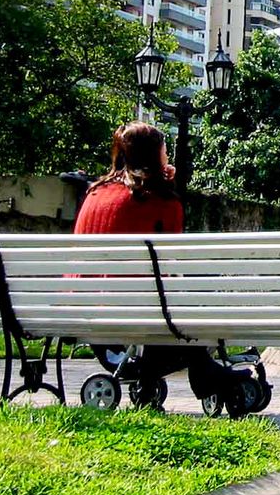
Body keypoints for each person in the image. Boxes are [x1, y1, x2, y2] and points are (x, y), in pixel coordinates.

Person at [74, 122, 245, 407]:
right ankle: (203, 373)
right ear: (155, 156)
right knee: (182, 303)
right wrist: (169, 188)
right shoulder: (160, 201)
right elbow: (168, 266)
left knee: (162, 305)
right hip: (137, 311)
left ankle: (177, 377)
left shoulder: (94, 193)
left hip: (84, 309)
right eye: (165, 152)